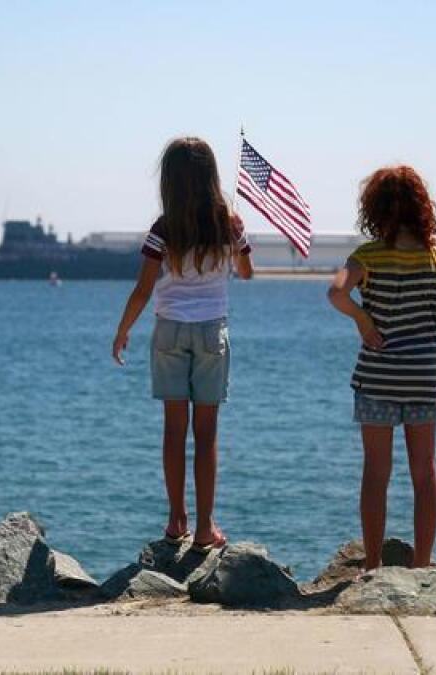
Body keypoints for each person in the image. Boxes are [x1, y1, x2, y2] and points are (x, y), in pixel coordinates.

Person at [112, 137, 254, 552]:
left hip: (169, 329)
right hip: (211, 331)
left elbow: (143, 289)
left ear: (170, 180)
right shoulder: (228, 223)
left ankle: (177, 521)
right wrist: (240, 244)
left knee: (174, 431)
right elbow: (245, 273)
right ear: (212, 176)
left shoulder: (164, 227)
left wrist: (123, 331)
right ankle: (207, 528)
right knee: (206, 434)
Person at [327, 165, 436, 572]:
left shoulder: (366, 256)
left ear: (374, 208)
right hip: (423, 377)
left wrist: (364, 321)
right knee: (424, 472)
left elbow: (335, 293)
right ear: (422, 208)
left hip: (378, 377)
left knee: (376, 473)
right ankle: (421, 565)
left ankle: (373, 565)